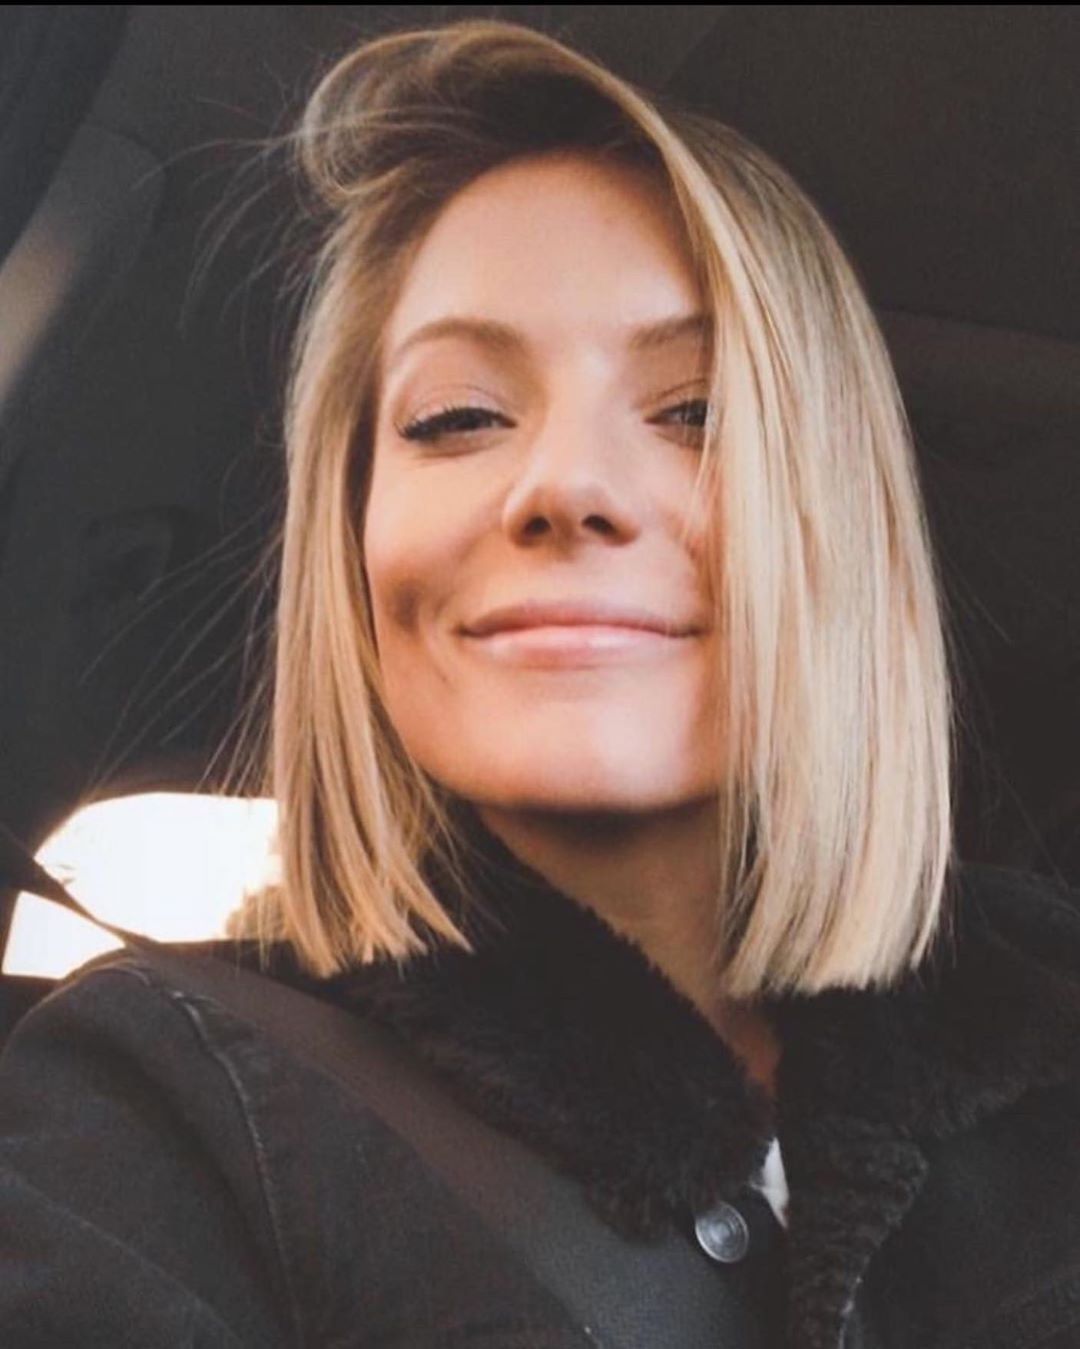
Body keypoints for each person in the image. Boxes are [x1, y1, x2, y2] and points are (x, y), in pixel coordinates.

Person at [2, 16, 1080, 1349]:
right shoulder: (156, 1110)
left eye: (699, 412)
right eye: (458, 417)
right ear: (355, 543)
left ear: (851, 534)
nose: (563, 485)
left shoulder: (1050, 1029)